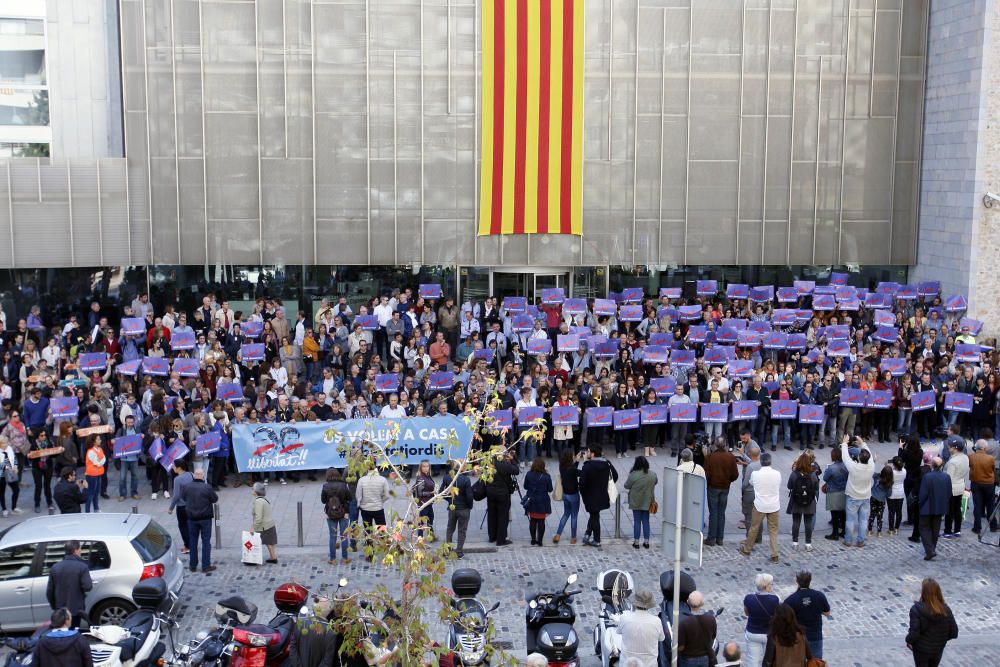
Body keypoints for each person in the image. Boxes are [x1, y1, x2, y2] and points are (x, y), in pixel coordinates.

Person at [905, 578, 958, 667]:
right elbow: (954, 633)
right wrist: (940, 640)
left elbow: (914, 632)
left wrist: (908, 641)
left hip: (921, 650)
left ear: (923, 592)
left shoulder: (916, 610)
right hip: (937, 649)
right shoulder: (946, 610)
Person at [740, 452, 782, 562]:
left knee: (754, 527)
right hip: (774, 505)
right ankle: (774, 554)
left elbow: (750, 483)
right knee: (773, 530)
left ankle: (747, 548)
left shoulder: (755, 474)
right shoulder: (777, 474)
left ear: (761, 462)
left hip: (760, 504)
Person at [45, 540, 93, 629]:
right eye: (80, 549)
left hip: (60, 610)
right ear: (76, 550)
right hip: (76, 610)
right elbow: (88, 586)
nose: (80, 551)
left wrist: (55, 606)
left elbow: (49, 591)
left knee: (61, 634)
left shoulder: (55, 567)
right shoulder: (82, 566)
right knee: (73, 633)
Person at [783, 571, 831, 659]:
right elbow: (827, 613)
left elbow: (785, 619)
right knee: (815, 662)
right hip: (815, 636)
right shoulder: (819, 596)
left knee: (797, 662)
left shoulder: (790, 600)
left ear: (797, 582)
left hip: (798, 636)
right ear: (810, 581)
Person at [179, 468, 219, 573]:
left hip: (191, 518)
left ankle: (193, 565)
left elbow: (183, 498)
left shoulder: (186, 487)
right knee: (206, 542)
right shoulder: (207, 487)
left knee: (193, 542)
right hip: (205, 518)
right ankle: (206, 566)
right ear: (203, 475)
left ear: (194, 475)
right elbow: (215, 499)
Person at [580, 444, 618, 547]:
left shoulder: (587, 466)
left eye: (588, 451)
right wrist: (605, 484)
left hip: (590, 496)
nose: (586, 453)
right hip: (602, 494)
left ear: (592, 454)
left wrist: (584, 494)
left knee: (594, 516)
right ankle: (587, 534)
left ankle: (596, 539)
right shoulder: (606, 463)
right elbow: (615, 476)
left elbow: (582, 484)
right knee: (594, 514)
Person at [704, 437, 739, 547]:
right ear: (725, 445)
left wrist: (709, 483)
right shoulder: (731, 457)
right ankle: (720, 538)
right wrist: (728, 481)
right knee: (721, 512)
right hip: (725, 488)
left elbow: (707, 474)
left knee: (713, 512)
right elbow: (735, 475)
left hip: (713, 487)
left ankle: (711, 538)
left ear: (715, 445)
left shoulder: (710, 457)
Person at [617, 589, 664, 667]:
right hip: (649, 664)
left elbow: (618, 632)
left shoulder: (624, 618)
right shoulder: (656, 621)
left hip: (627, 664)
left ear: (635, 604)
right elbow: (661, 638)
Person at [841, 436, 874, 548]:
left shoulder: (854, 467)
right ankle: (861, 540)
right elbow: (868, 454)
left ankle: (848, 540)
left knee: (850, 520)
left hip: (853, 496)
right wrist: (863, 443)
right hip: (865, 496)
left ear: (859, 458)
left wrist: (845, 443)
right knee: (863, 520)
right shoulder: (871, 466)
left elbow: (845, 457)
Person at [918, 457, 951, 561]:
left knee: (924, 528)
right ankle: (932, 548)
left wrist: (920, 504)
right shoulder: (946, 477)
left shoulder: (927, 477)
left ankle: (930, 549)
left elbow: (923, 493)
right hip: (940, 507)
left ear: (932, 465)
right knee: (935, 529)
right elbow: (949, 493)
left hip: (927, 507)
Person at [743, 573, 780, 666]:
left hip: (753, 632)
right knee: (769, 660)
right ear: (766, 586)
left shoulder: (749, 598)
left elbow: (747, 613)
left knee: (753, 660)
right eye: (771, 584)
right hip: (769, 634)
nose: (772, 586)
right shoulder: (775, 599)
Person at [441, 460, 474, 559]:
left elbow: (441, 492)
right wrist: (469, 506)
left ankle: (448, 551)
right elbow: (469, 496)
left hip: (453, 508)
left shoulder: (447, 477)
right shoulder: (466, 479)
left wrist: (450, 500)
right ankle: (459, 551)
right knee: (462, 530)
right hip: (464, 508)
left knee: (450, 529)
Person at [786, 452, 819, 550]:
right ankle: (808, 544)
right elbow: (816, 487)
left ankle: (795, 543)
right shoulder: (813, 475)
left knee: (796, 522)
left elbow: (789, 486)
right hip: (809, 501)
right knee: (808, 523)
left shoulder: (794, 474)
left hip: (796, 500)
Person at [676, 591, 717, 667]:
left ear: (688, 602)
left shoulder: (683, 623)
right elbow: (713, 637)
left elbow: (681, 647)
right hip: (705, 658)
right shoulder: (711, 619)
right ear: (702, 603)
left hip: (688, 660)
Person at [624, 455, 657, 549]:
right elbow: (656, 481)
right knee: (646, 521)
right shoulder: (652, 474)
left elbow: (626, 486)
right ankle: (646, 542)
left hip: (636, 501)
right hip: (648, 500)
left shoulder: (633, 474)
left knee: (637, 521)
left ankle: (636, 542)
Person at [322, 467, 353, 565]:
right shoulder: (343, 485)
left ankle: (333, 559)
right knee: (344, 536)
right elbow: (350, 498)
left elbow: (323, 500)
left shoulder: (325, 486)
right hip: (344, 512)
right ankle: (345, 558)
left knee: (332, 536)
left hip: (330, 513)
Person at [486, 449, 518, 546]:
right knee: (502, 516)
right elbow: (516, 471)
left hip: (490, 492)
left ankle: (492, 537)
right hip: (503, 493)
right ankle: (501, 540)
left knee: (491, 514)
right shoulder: (505, 465)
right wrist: (512, 460)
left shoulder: (489, 463)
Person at [553, 449, 582, 544]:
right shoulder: (573, 469)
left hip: (565, 494)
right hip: (574, 495)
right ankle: (573, 537)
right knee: (574, 516)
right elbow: (581, 473)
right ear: (570, 457)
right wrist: (583, 461)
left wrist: (576, 461)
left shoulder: (562, 466)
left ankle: (558, 535)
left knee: (566, 514)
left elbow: (572, 470)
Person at [522, 456, 553, 546]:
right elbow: (550, 489)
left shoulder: (528, 474)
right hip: (543, 501)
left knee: (533, 520)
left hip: (532, 500)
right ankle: (540, 541)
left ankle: (533, 539)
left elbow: (525, 487)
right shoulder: (546, 476)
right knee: (541, 521)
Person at [968, 440, 997, 533]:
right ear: (985, 448)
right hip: (988, 484)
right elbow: (993, 469)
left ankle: (977, 527)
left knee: (977, 505)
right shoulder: (990, 458)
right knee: (990, 505)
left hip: (976, 483)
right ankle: (993, 525)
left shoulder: (971, 457)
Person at [942, 439, 969, 538]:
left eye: (950, 446)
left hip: (952, 488)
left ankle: (948, 531)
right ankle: (957, 530)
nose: (949, 448)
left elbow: (948, 478)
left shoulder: (953, 461)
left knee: (949, 511)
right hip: (960, 485)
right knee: (957, 510)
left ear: (955, 448)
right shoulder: (965, 457)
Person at [822, 445, 848, 540]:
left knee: (834, 514)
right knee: (842, 513)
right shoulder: (846, 465)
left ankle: (835, 533)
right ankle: (844, 531)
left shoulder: (831, 468)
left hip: (833, 492)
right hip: (843, 491)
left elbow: (825, 478)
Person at [168, 460, 194, 554]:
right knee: (190, 525)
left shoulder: (177, 479)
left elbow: (176, 495)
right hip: (191, 504)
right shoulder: (191, 474)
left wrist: (171, 508)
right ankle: (192, 544)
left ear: (179, 468)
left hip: (182, 507)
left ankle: (188, 546)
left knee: (183, 527)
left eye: (174, 466)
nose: (172, 468)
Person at [251, 482, 278, 564]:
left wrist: (253, 528)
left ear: (256, 491)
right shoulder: (263, 499)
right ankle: (273, 557)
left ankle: (253, 559)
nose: (252, 490)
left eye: (253, 489)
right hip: (269, 524)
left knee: (255, 542)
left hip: (263, 526)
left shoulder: (258, 502)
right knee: (269, 542)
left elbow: (259, 518)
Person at [0, 434, 22, 517]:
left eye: (6, 442)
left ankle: (14, 507)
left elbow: (14, 459)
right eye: (3, 443)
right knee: (2, 492)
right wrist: (6, 466)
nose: (5, 444)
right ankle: (4, 509)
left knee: (16, 490)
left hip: (11, 473)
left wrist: (15, 466)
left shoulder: (9, 449)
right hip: (1, 474)